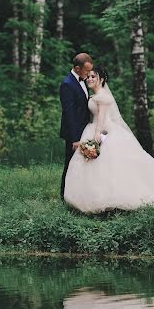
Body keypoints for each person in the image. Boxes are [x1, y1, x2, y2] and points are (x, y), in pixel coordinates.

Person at [64, 66, 154, 213]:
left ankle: (113, 200)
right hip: (93, 128)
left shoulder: (103, 97)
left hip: (103, 131)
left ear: (102, 79)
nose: (90, 79)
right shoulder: (93, 96)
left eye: (94, 77)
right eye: (89, 76)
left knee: (109, 166)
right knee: (92, 167)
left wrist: (97, 137)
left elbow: (102, 119)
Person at [59, 53, 93, 200]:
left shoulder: (83, 81)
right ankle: (64, 195)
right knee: (70, 165)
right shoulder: (67, 84)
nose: (89, 74)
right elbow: (69, 113)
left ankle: (79, 194)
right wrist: (74, 139)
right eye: (86, 71)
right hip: (74, 134)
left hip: (85, 130)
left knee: (82, 165)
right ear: (78, 69)